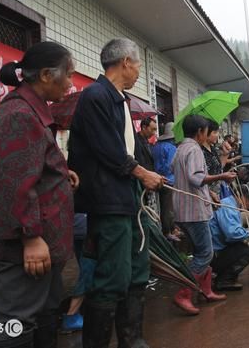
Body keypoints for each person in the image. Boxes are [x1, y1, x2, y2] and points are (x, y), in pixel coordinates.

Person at [0, 41, 79, 348]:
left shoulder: (31, 112)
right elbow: (14, 184)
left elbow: (31, 167)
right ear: (47, 76)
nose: (71, 83)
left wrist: (61, 173)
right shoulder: (18, 115)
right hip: (30, 246)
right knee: (11, 323)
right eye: (69, 75)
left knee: (42, 314)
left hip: (44, 244)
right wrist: (30, 237)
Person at [68, 38, 164, 348]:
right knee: (111, 277)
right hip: (108, 203)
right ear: (125, 62)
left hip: (129, 202)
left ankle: (132, 339)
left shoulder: (120, 99)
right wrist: (141, 173)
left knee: (137, 273)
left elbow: (128, 149)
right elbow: (108, 150)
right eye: (137, 64)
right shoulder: (95, 96)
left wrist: (144, 176)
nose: (138, 71)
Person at [171, 115, 237, 316]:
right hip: (195, 211)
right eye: (208, 131)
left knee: (202, 251)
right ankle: (183, 293)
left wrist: (211, 193)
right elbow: (196, 178)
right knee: (205, 253)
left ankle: (206, 290)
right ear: (200, 132)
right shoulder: (195, 150)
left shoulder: (180, 148)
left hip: (183, 209)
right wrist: (222, 176)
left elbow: (178, 174)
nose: (209, 134)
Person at [209, 184, 249, 291]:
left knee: (244, 245)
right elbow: (231, 233)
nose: (248, 205)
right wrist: (248, 232)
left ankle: (224, 276)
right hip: (214, 255)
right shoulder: (228, 206)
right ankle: (224, 280)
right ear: (244, 198)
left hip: (215, 250)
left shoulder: (229, 203)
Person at [152, 122, 178, 238]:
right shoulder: (171, 147)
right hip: (169, 180)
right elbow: (170, 166)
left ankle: (168, 229)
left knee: (162, 206)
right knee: (169, 208)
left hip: (157, 179)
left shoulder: (156, 146)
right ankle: (168, 231)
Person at [201, 119, 224, 203]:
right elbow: (199, 178)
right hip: (207, 196)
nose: (217, 135)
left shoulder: (213, 149)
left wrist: (226, 154)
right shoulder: (200, 152)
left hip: (218, 192)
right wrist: (210, 193)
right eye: (214, 132)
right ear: (205, 133)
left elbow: (219, 168)